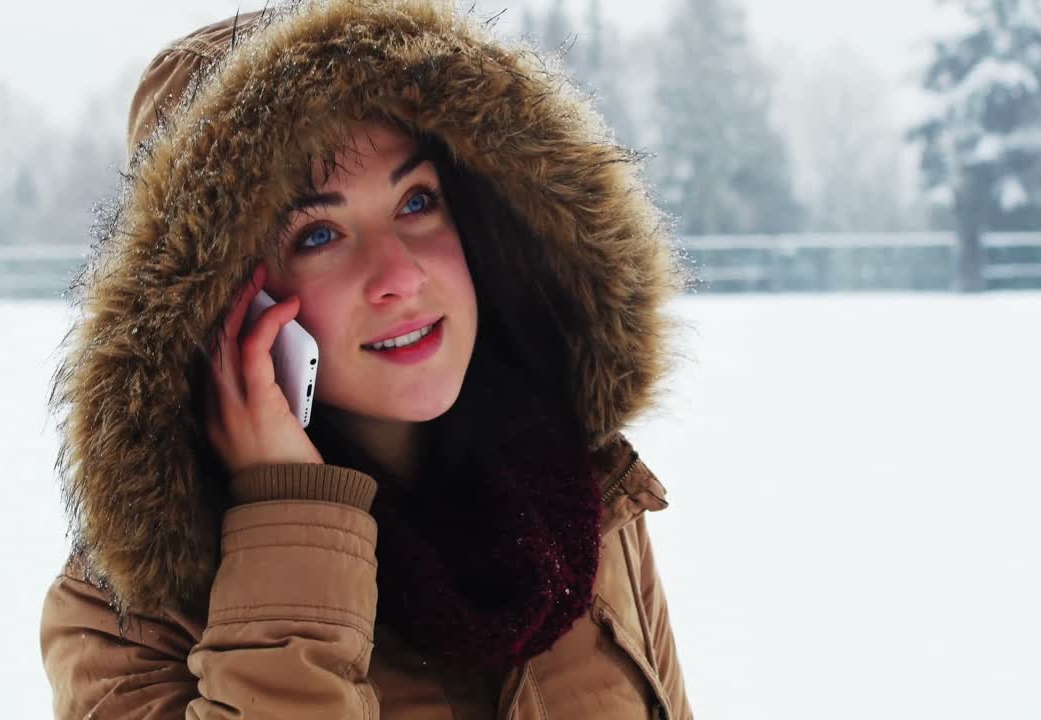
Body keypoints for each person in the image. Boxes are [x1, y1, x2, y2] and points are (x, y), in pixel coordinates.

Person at [39, 1, 694, 717]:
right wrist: (288, 523)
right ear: (219, 306)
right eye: (318, 235)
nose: (403, 277)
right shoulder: (124, 621)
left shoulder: (583, 505)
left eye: (417, 202)